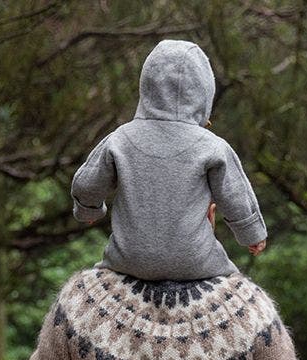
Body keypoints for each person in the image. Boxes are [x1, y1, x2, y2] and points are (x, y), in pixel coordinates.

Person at [16, 40, 307, 360]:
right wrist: (253, 234)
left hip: (116, 271)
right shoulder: (246, 313)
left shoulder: (82, 306)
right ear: (209, 207)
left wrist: (88, 212)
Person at [69, 39, 268, 282]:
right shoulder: (212, 145)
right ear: (205, 93)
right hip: (196, 262)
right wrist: (252, 234)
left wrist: (88, 210)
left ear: (146, 85)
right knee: (237, 291)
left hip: (127, 260)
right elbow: (236, 195)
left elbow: (87, 183)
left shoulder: (121, 138)